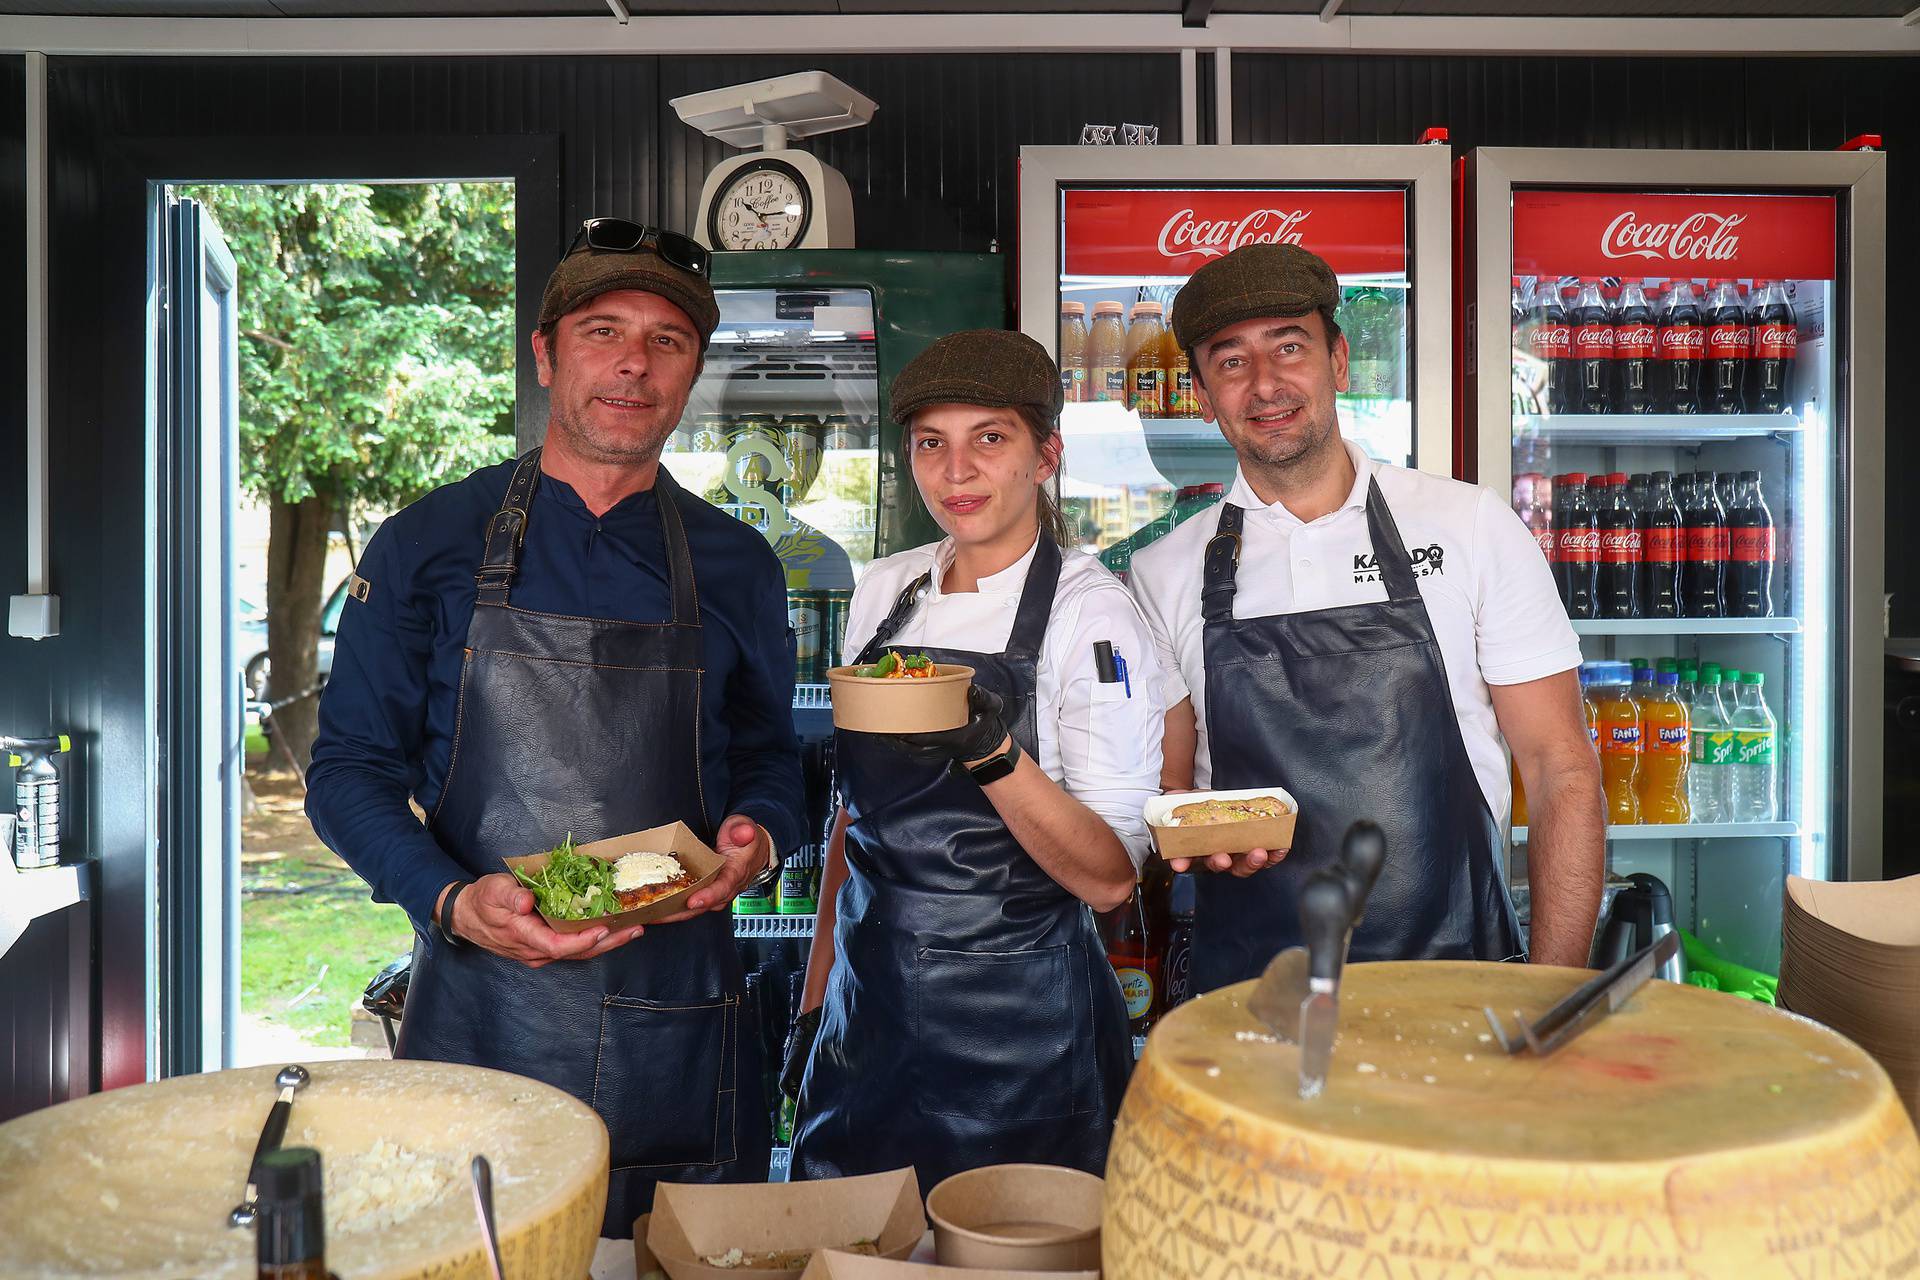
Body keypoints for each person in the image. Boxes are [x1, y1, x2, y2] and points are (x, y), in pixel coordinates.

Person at [306, 218, 804, 1235]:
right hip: (485, 1010)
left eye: (668, 340)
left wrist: (757, 834)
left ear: (693, 369)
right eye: (602, 329)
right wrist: (447, 896)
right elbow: (347, 770)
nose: (633, 362)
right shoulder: (428, 543)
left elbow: (768, 755)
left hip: (682, 1020)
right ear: (544, 354)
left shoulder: (738, 562)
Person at [1127, 243, 1605, 990]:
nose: (1265, 385)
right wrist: (1194, 834)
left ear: (1339, 363)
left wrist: (1552, 995)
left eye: (1290, 348)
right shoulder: (1163, 573)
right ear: (1202, 391)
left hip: (1459, 986)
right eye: (1231, 362)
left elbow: (1560, 771)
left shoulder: (1468, 526)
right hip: (1252, 999)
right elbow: (1171, 792)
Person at [784, 330, 1163, 1192]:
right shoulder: (886, 590)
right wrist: (814, 1007)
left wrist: (992, 752)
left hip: (1025, 1035)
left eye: (989, 438)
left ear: (1046, 455)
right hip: (867, 1016)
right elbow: (855, 819)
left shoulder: (1092, 616)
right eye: (932, 444)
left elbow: (1108, 877)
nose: (957, 473)